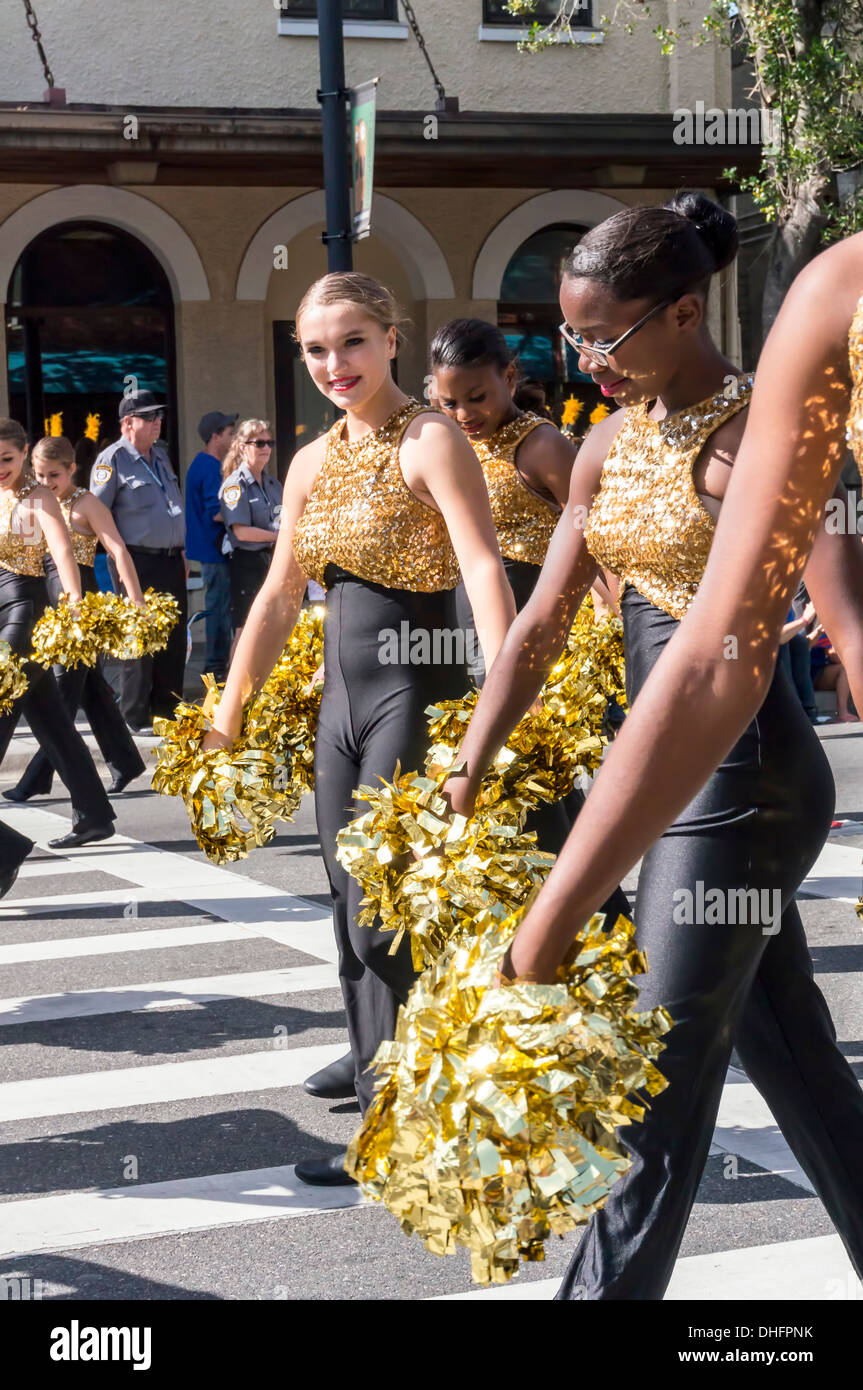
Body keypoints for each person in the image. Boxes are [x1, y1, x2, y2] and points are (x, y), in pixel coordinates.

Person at [442, 199, 863, 1298]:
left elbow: (831, 624)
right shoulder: (604, 446)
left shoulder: (756, 430)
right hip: (669, 755)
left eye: (607, 336)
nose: (585, 358)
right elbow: (539, 624)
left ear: (683, 311)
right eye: (570, 336)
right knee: (797, 1061)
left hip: (742, 776)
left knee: (650, 1085)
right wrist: (471, 756)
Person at [202, 272, 516, 1184]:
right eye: (315, 348)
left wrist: (502, 702)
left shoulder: (429, 440)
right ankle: (380, 1067)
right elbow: (275, 595)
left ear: (390, 340)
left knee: (386, 914)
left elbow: (484, 571)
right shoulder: (307, 459)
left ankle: (414, 1104)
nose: (333, 364)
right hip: (339, 702)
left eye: (351, 343)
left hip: (415, 690)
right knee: (349, 908)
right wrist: (229, 714)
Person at [429, 316, 630, 921]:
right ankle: (563, 925)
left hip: (533, 636)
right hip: (461, 638)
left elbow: (606, 537)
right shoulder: (443, 443)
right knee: (504, 793)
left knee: (539, 790)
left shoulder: (540, 444)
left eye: (477, 397)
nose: (463, 412)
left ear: (509, 377)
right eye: (448, 401)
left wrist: (615, 616)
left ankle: (600, 925)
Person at [3, 436, 146, 803]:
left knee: (61, 694)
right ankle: (126, 762)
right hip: (48, 603)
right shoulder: (30, 500)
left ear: (71, 469)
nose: (47, 482)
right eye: (40, 474)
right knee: (92, 692)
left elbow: (117, 550)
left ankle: (36, 778)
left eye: (54, 474)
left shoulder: (86, 504)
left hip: (79, 604)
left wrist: (135, 600)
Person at [0, 417, 115, 850]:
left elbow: (63, 553)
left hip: (26, 616)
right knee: (53, 723)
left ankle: (6, 852)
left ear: (24, 452)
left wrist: (75, 609)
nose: (0, 467)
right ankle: (94, 814)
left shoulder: (41, 496)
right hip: (2, 614)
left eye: (7, 459)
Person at [89, 391, 188, 731]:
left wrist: (183, 553)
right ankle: (134, 714)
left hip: (172, 559)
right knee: (138, 637)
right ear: (127, 423)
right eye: (149, 417)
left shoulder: (160, 457)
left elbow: (172, 505)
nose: (157, 421)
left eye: (159, 416)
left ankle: (167, 708)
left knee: (172, 638)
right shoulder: (111, 460)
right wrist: (118, 558)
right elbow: (95, 516)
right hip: (136, 561)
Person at [219, 419, 282, 661]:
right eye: (259, 443)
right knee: (246, 629)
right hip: (247, 563)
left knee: (272, 627)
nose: (266, 448)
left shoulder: (273, 484)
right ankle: (232, 689)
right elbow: (241, 532)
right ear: (244, 447)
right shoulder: (235, 485)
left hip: (271, 562)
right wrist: (279, 536)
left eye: (269, 442)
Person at [185, 411, 237, 681]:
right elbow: (216, 512)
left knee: (220, 606)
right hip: (214, 551)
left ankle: (217, 664)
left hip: (212, 550)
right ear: (215, 437)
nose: (234, 438)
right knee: (219, 608)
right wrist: (245, 515)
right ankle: (216, 668)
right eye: (230, 433)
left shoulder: (204, 464)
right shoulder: (208, 467)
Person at [811, 622, 857, 722]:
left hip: (822, 670)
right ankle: (842, 712)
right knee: (844, 669)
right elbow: (833, 656)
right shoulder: (825, 625)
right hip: (812, 673)